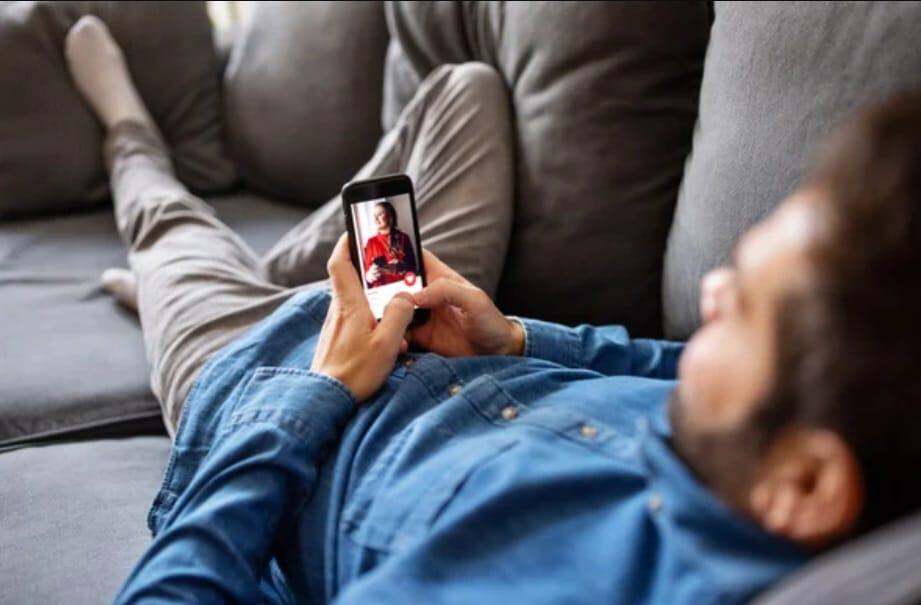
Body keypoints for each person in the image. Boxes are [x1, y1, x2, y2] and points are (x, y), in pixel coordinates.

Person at [63, 15, 921, 605]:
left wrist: (319, 389)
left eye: (742, 311)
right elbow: (666, 362)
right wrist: (508, 335)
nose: (707, 296)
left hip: (258, 380)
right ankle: (299, 265)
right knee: (464, 90)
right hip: (434, 323)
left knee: (167, 226)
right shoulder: (783, 421)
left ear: (804, 485)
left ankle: (132, 137)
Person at [362, 201, 418, 287]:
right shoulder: (371, 242)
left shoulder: (404, 238)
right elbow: (366, 275)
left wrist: (401, 266)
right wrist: (369, 276)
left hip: (403, 286)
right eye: (374, 215)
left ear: (390, 215)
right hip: (381, 289)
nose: (375, 219)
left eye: (379, 214)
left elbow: (413, 268)